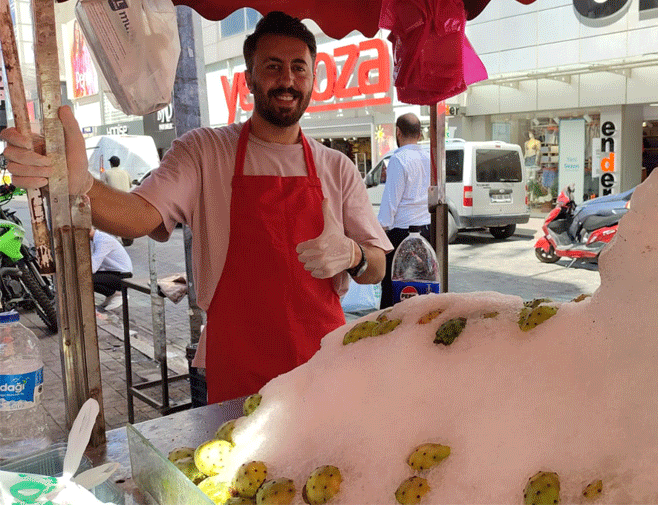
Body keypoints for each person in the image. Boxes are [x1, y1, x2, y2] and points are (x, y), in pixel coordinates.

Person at [0, 11, 392, 404]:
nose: (287, 80)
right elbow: (140, 215)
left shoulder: (336, 166)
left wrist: (353, 254)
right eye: (273, 67)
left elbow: (376, 267)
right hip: (239, 363)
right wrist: (80, 184)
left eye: (298, 68)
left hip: (323, 362)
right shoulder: (205, 151)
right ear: (249, 78)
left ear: (312, 78)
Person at [377, 113, 431, 309]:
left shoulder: (399, 160)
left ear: (398, 132)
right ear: (419, 134)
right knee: (422, 286)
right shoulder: (428, 157)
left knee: (394, 289)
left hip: (401, 234)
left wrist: (379, 234)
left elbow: (390, 203)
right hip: (427, 232)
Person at [89, 228, 133, 311]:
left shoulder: (103, 240)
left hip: (123, 276)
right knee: (86, 277)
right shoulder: (94, 239)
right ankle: (111, 296)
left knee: (85, 278)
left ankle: (117, 294)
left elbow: (93, 267)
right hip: (113, 273)